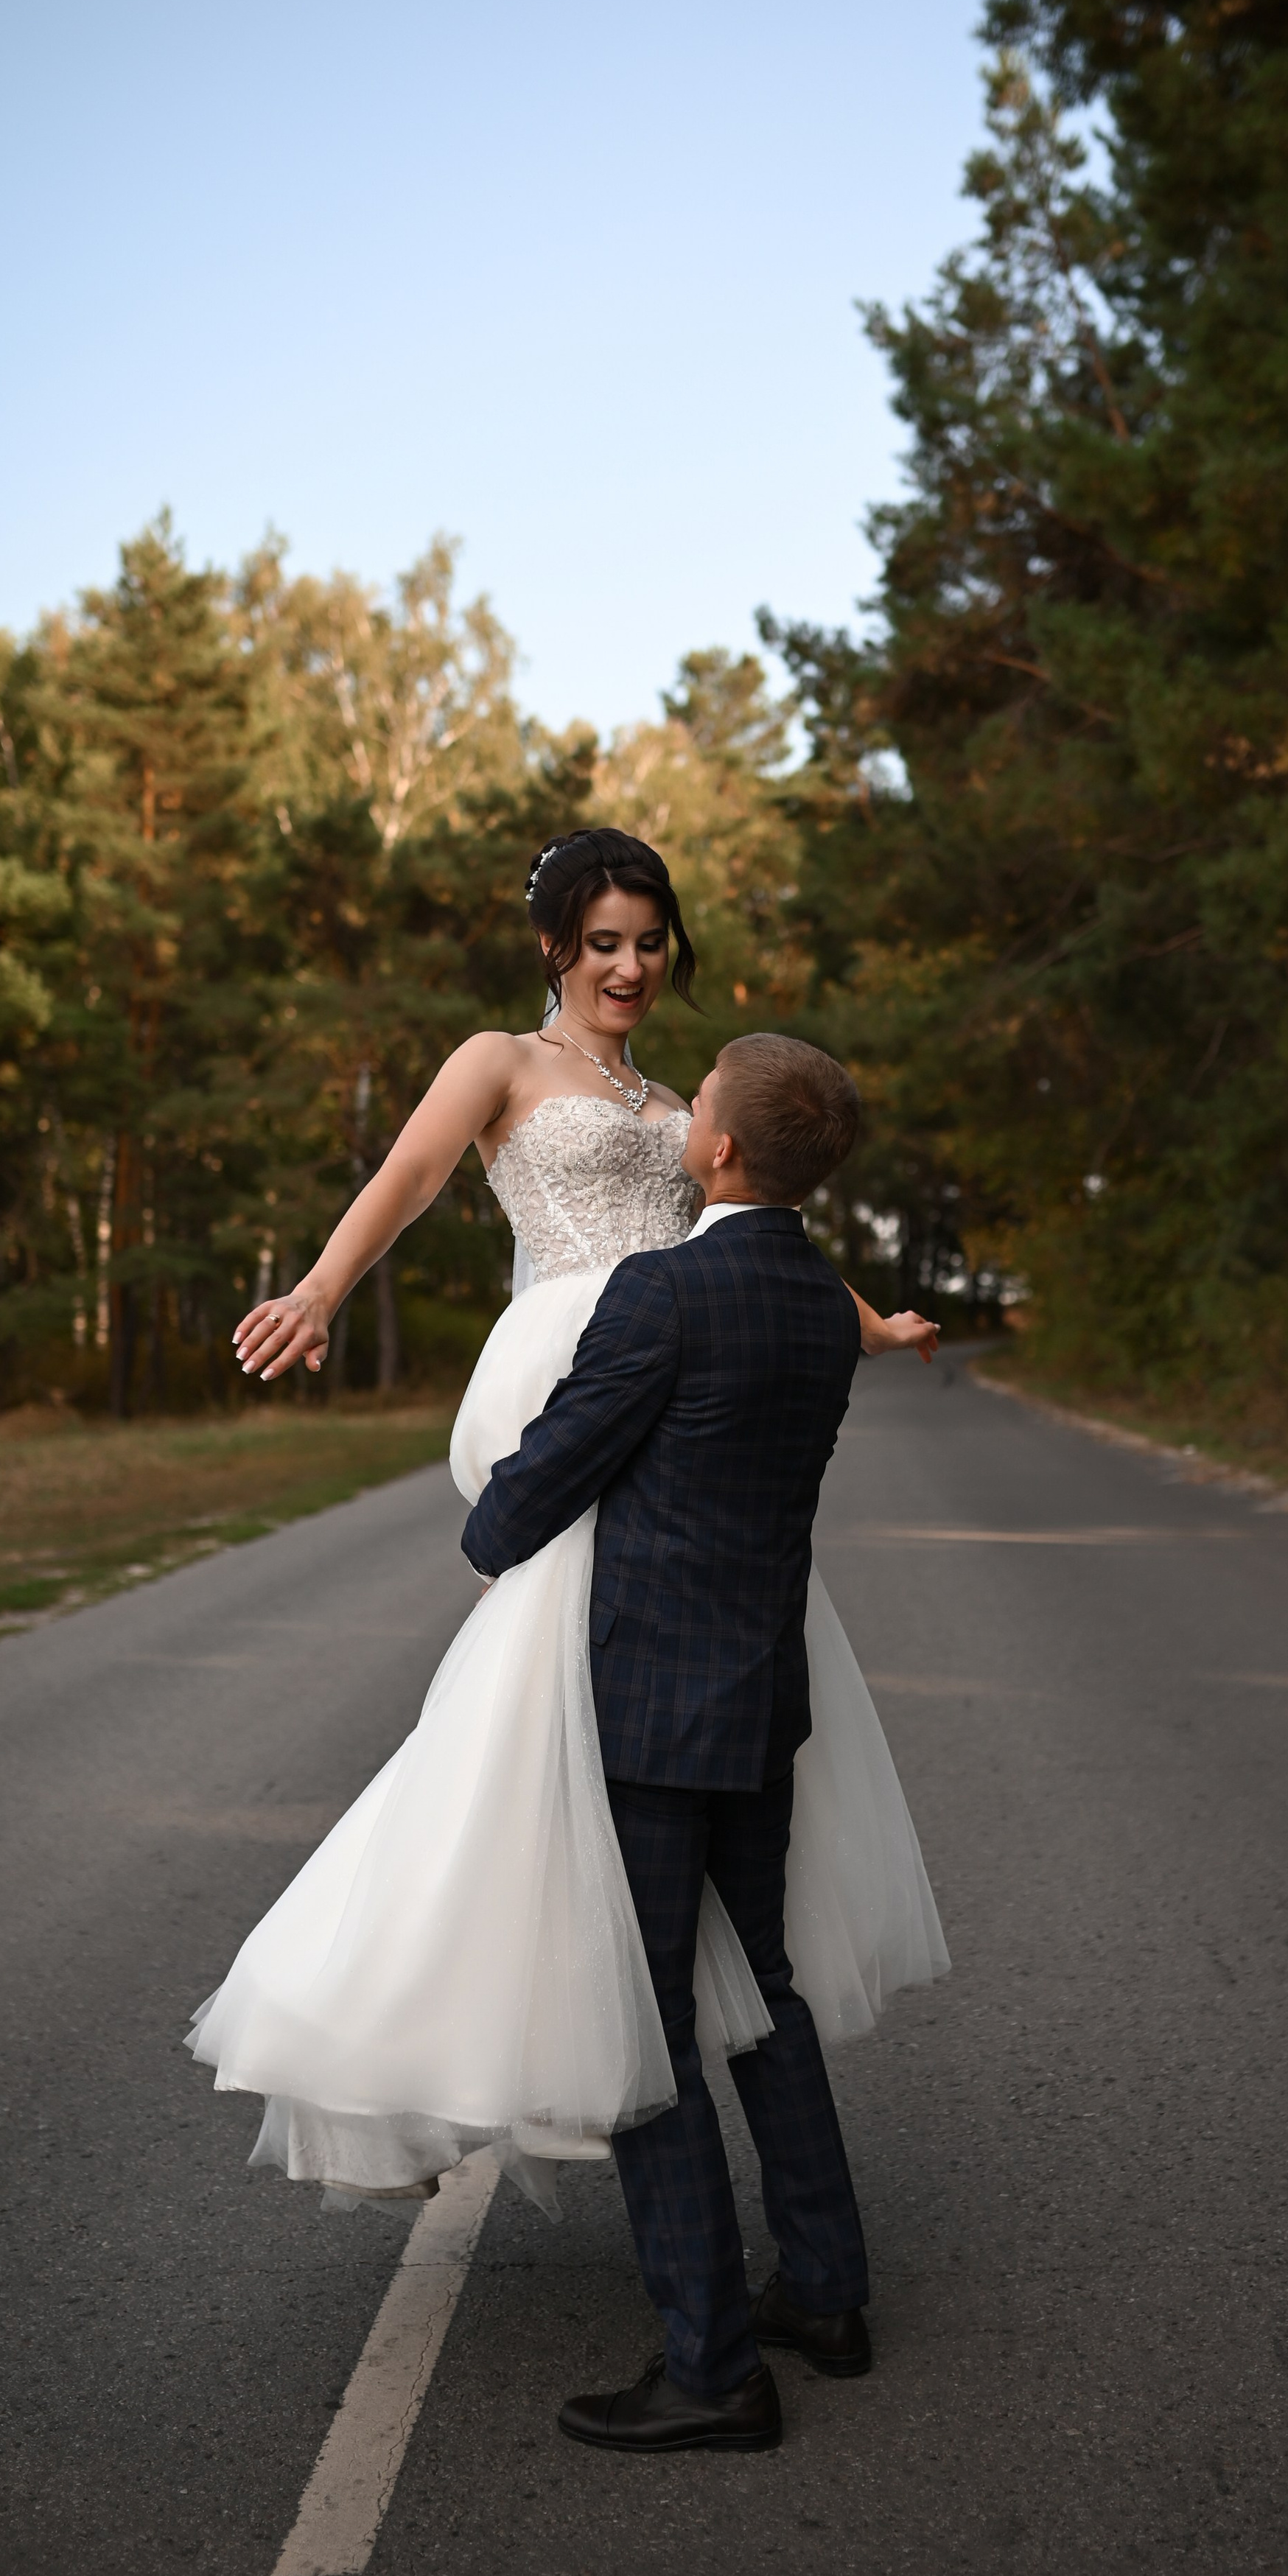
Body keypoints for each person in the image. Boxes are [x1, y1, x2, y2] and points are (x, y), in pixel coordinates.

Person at [187, 830, 947, 2247]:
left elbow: (748, 1238)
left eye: (651, 941)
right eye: (604, 940)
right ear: (555, 947)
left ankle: (606, 1972)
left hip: (661, 1361)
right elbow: (408, 1179)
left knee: (604, 1698)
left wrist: (867, 1321)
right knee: (552, 1678)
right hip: (572, 1363)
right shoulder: (500, 1064)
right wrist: (318, 1290)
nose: (632, 966)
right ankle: (482, 2002)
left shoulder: (684, 1101)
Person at [464, 1030, 883, 2454]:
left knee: (643, 2025)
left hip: (648, 1712)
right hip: (761, 1701)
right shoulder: (822, 1309)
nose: (683, 1110)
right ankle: (825, 2289)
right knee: (760, 1986)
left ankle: (711, 2367)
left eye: (698, 1101)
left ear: (715, 1151)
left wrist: (490, 1515)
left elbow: (531, 1495)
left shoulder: (664, 1293)